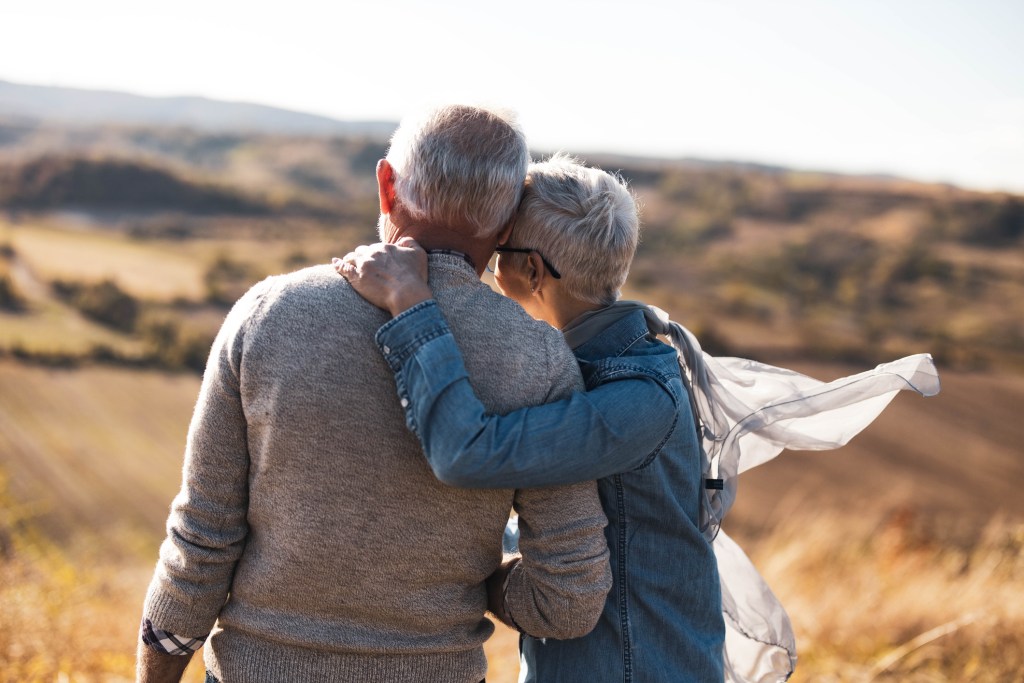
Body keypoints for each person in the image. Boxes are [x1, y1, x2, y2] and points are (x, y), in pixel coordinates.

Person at [336, 153, 942, 683]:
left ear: (531, 271)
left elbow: (471, 451)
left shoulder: (638, 398)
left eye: (498, 254)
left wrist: (411, 306)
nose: (489, 269)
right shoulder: (606, 366)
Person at [137, 107, 612, 683]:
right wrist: (471, 579)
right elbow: (569, 600)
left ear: (387, 185)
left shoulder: (268, 315)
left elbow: (202, 541)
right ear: (508, 223)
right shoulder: (538, 360)